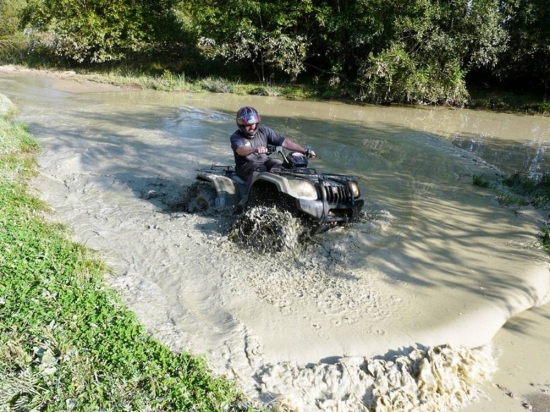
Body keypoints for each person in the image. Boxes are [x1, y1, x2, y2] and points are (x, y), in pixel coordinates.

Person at [230, 106, 316, 192]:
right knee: (261, 169)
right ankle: (246, 201)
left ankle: (287, 192)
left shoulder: (265, 131)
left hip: (265, 161)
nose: (251, 127)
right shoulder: (236, 137)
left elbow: (284, 142)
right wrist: (255, 149)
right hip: (245, 166)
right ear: (241, 125)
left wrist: (304, 151)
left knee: (281, 164)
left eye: (253, 124)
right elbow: (240, 150)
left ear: (257, 122)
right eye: (248, 125)